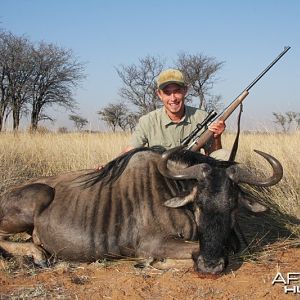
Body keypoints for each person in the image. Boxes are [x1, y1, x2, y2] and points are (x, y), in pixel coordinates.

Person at [122, 69, 227, 159]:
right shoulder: (147, 121)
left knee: (223, 155)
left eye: (177, 91)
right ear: (159, 94)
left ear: (185, 91)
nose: (173, 98)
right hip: (160, 176)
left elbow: (212, 154)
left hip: (192, 173)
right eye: (167, 93)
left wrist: (217, 137)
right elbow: (130, 150)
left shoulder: (202, 117)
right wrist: (109, 167)